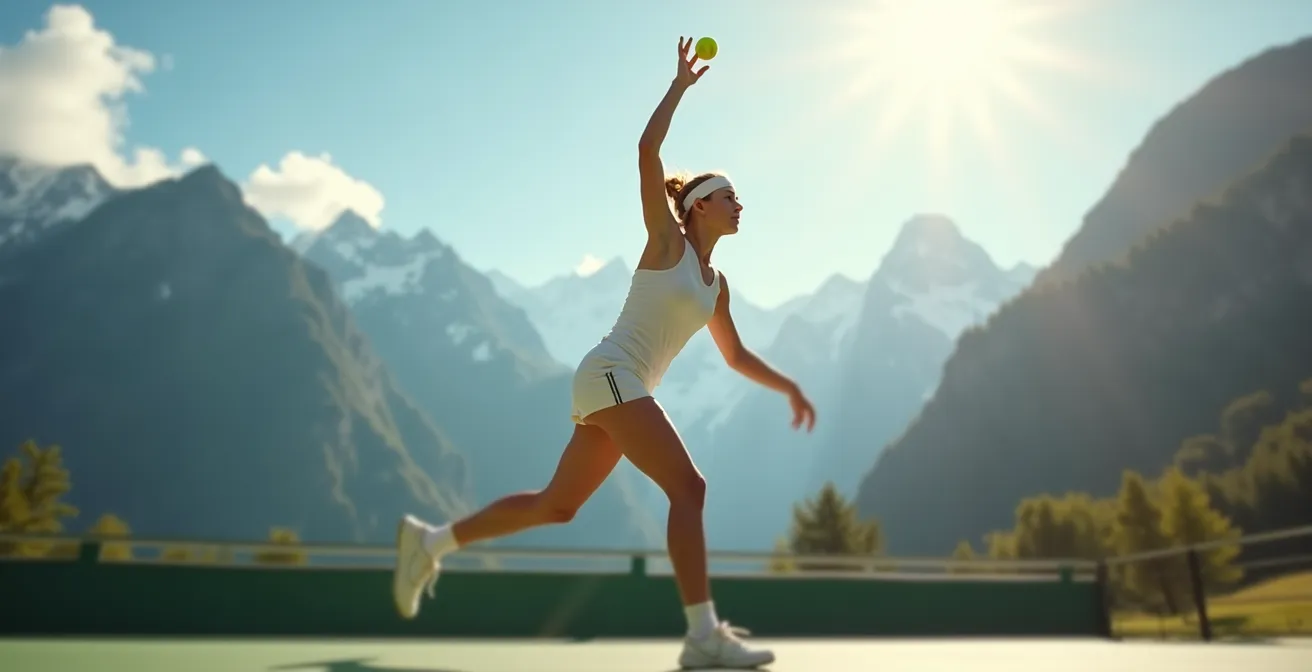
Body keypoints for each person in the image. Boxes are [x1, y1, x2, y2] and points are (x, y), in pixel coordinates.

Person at [391, 36, 816, 670]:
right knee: (690, 489)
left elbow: (735, 356)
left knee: (555, 506)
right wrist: (679, 87)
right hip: (613, 375)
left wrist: (788, 387)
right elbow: (647, 151)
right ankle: (703, 637)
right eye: (729, 196)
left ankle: (431, 541)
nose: (739, 205)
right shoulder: (666, 241)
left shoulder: (715, 286)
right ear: (700, 206)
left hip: (618, 387)